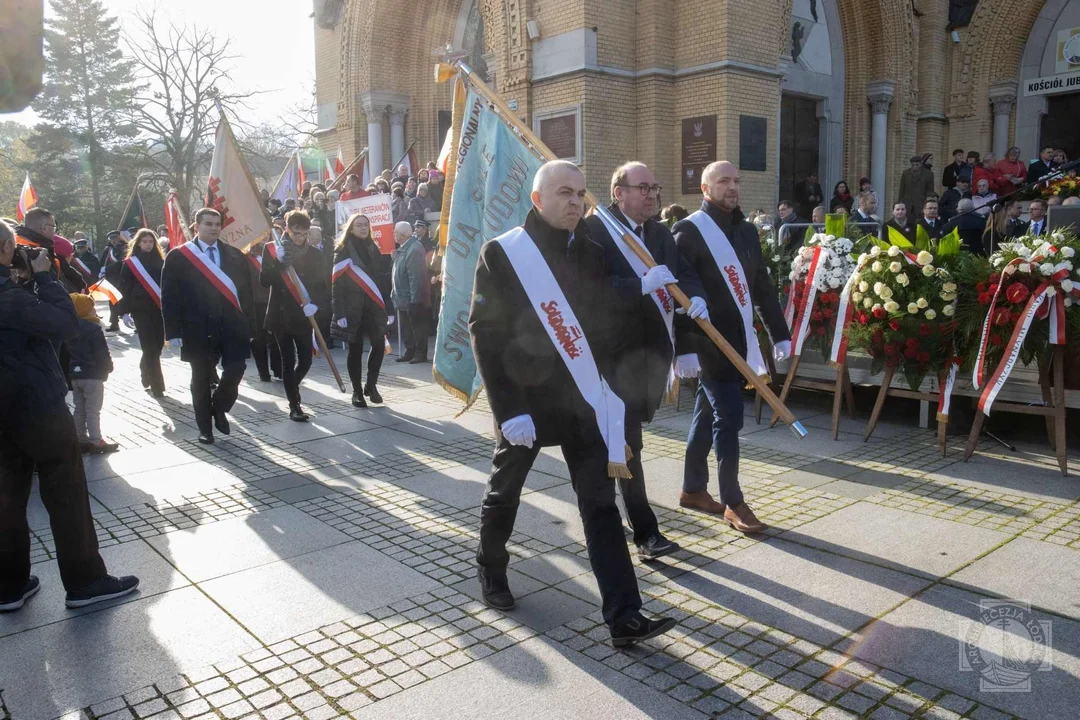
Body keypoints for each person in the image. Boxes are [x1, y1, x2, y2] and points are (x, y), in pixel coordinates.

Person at [469, 160, 677, 647]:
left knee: (601, 506)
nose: (576, 202)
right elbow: (486, 333)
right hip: (527, 404)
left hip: (584, 400)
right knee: (506, 491)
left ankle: (625, 615)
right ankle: (490, 567)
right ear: (537, 199)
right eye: (564, 192)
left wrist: (641, 298)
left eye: (581, 194)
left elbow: (605, 311)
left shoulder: (591, 247)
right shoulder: (503, 254)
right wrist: (507, 410)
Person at [0, 221, 139, 612]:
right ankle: (85, 581)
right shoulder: (7, 294)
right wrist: (44, 278)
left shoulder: (10, 292)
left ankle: (9, 585)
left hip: (4, 409)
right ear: (7, 248)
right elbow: (65, 324)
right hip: (35, 404)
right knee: (65, 489)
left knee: (8, 494)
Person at [584, 161, 707, 560]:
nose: (652, 194)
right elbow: (590, 289)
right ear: (618, 192)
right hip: (611, 359)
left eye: (655, 187)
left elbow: (682, 274)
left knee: (617, 444)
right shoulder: (597, 230)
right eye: (643, 188)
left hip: (651, 357)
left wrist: (694, 298)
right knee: (626, 441)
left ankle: (606, 512)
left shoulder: (659, 233)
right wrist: (637, 285)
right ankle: (645, 532)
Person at [672, 160, 789, 533]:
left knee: (707, 415)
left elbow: (762, 290)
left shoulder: (747, 233)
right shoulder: (688, 231)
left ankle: (692, 489)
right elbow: (677, 291)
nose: (733, 187)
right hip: (708, 344)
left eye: (736, 180)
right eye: (724, 181)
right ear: (705, 189)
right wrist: (684, 349)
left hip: (739, 341)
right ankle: (734, 502)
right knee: (729, 417)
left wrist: (780, 333)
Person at [160, 208, 254, 444]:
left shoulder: (234, 255)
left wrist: (250, 325)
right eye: (208, 223)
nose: (214, 227)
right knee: (200, 377)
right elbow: (169, 296)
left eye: (217, 224)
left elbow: (246, 294)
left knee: (236, 368)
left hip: (231, 325)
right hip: (197, 326)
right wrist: (172, 332)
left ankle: (219, 406)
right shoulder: (178, 256)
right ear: (196, 227)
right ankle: (205, 428)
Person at [261, 211, 327, 422]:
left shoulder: (315, 254)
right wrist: (278, 264)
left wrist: (315, 305)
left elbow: (320, 284)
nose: (300, 238)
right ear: (287, 229)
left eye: (304, 234)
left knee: (306, 360)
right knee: (287, 362)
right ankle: (294, 405)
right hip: (281, 315)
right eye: (296, 233)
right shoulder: (273, 250)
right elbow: (264, 280)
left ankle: (292, 386)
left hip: (304, 314)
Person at [333, 213, 392, 407]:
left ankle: (371, 385)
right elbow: (337, 283)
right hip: (352, 307)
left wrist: (388, 307)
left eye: (366, 225)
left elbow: (381, 280)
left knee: (378, 344)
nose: (363, 228)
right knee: (355, 349)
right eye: (359, 225)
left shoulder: (373, 248)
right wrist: (339, 311)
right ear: (351, 228)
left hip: (373, 306)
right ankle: (357, 392)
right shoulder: (342, 250)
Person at [116, 229, 166, 397]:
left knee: (157, 346)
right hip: (140, 309)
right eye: (144, 241)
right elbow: (124, 288)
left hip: (158, 309)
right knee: (150, 348)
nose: (148, 244)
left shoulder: (161, 261)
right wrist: (123, 312)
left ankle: (145, 368)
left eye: (151, 242)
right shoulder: (131, 263)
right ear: (138, 243)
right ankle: (157, 386)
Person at [67, 293, 118, 454]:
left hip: (75, 375)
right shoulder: (93, 328)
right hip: (92, 375)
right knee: (93, 410)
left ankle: (80, 439)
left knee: (79, 409)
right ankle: (96, 441)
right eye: (91, 307)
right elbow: (102, 353)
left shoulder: (69, 327)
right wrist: (108, 367)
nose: (94, 310)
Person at [391, 220, 429, 364]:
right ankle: (410, 351)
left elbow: (416, 276)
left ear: (401, 234)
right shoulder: (404, 248)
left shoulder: (414, 249)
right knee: (407, 328)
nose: (393, 235)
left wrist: (415, 299)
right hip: (402, 297)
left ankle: (420, 353)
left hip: (411, 298)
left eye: (395, 232)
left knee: (417, 327)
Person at [246, 239, 281, 382]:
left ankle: (278, 369)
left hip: (275, 302)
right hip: (256, 304)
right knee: (259, 339)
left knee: (276, 338)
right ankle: (263, 371)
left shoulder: (276, 256)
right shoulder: (245, 259)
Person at [98, 231, 127, 331]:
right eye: (111, 239)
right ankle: (114, 323)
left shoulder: (125, 248)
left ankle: (128, 318)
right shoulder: (108, 249)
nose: (113, 240)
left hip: (121, 277)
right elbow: (102, 262)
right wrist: (101, 270)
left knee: (123, 300)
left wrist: (107, 269)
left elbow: (121, 263)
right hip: (111, 279)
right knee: (112, 301)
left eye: (115, 238)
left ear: (119, 237)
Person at [898, 154, 935, 220]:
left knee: (919, 222)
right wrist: (900, 202)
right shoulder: (905, 173)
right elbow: (902, 189)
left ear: (920, 164)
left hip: (920, 203)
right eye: (913, 165)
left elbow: (930, 190)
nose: (914, 166)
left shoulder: (928, 174)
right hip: (907, 203)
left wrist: (927, 204)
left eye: (916, 165)